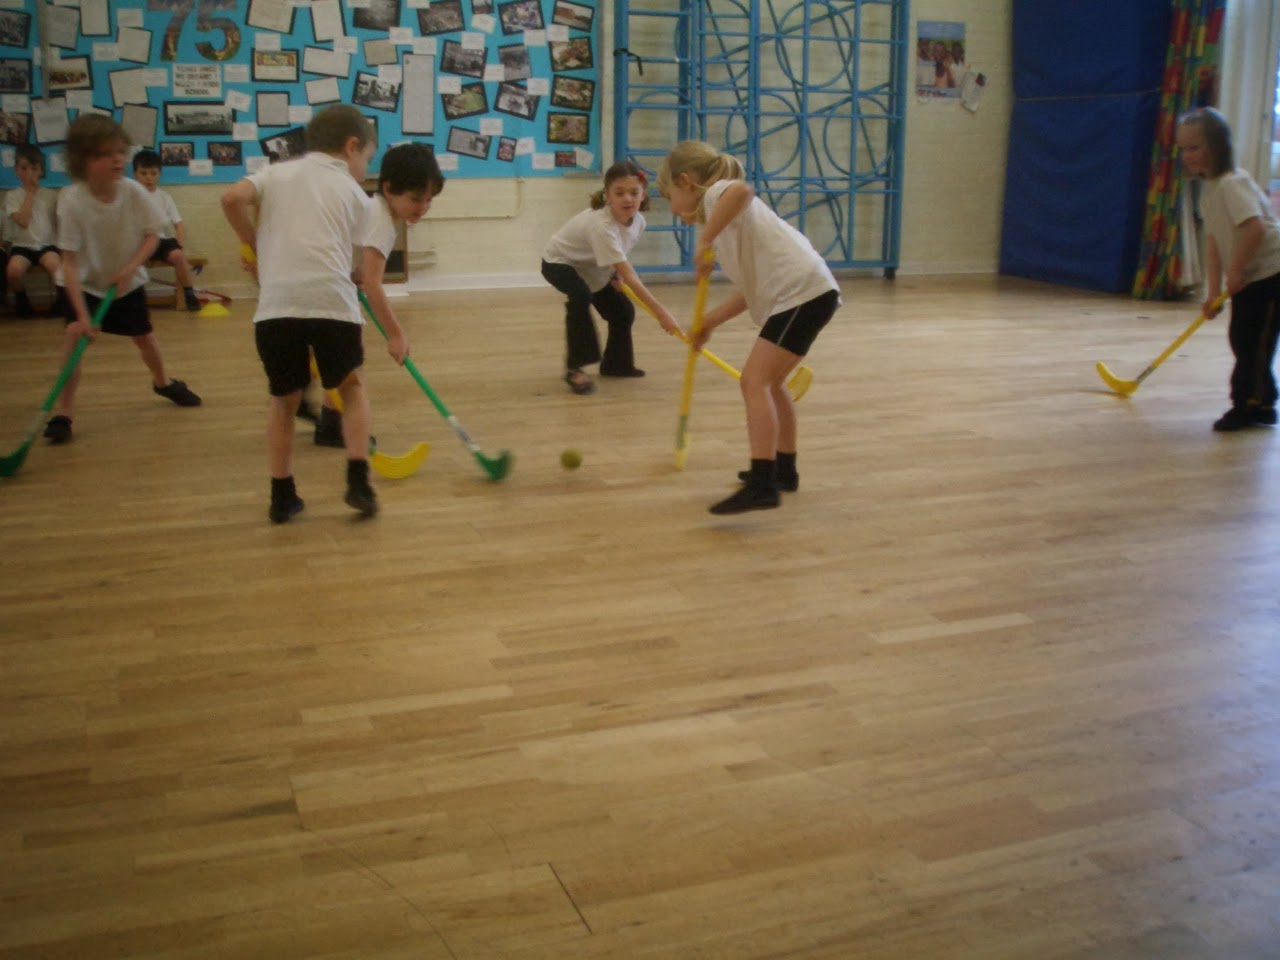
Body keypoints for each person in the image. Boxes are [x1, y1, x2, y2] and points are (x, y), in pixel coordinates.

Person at [221, 105, 394, 523]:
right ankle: (358, 482)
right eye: (366, 158)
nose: (363, 167)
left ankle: (282, 496)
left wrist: (255, 244)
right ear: (351, 147)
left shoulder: (275, 173)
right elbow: (351, 256)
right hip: (331, 304)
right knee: (351, 390)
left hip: (276, 307)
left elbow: (231, 199)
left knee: (283, 401)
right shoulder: (355, 193)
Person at [657, 140, 840, 515]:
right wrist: (709, 321)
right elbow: (751, 291)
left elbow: (742, 189)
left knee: (753, 381)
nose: (672, 207)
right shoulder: (726, 227)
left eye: (668, 195)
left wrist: (704, 239)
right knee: (770, 384)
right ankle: (783, 471)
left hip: (801, 293)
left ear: (686, 182)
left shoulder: (718, 196)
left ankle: (763, 484)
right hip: (807, 293)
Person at [45, 115, 202, 446]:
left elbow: (153, 236)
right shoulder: (71, 200)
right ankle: (64, 412)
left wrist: (130, 267)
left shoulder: (132, 191)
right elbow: (69, 264)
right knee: (74, 340)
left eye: (120, 151)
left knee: (144, 338)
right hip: (83, 285)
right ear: (85, 160)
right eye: (107, 154)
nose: (118, 159)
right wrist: (83, 316)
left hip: (124, 282)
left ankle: (162, 382)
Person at [313, 142, 444, 447]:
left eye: (428, 200)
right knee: (349, 358)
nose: (422, 207)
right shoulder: (381, 220)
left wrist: (354, 275)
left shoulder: (375, 211)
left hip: (330, 282)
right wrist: (396, 334)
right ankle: (333, 424)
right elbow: (373, 283)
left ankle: (330, 422)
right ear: (388, 188)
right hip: (323, 287)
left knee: (347, 352)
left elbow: (360, 268)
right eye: (415, 199)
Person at [1176, 107, 1280, 432]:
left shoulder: (1232, 184)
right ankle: (1263, 400)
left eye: (1195, 147)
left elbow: (1255, 228)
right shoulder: (1210, 189)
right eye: (1183, 149)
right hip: (1251, 275)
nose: (1188, 155)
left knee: (1254, 342)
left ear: (1218, 146)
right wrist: (1212, 292)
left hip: (1271, 275)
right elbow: (1214, 241)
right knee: (1242, 339)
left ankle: (1247, 405)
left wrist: (1235, 270)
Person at [541, 160, 681, 395]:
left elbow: (620, 254)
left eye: (634, 193)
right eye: (619, 193)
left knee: (622, 312)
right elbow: (630, 274)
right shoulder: (601, 225)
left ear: (643, 195)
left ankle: (616, 365)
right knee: (580, 296)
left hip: (591, 266)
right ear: (608, 196)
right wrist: (662, 314)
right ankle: (575, 369)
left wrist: (615, 274)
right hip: (560, 262)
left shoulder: (639, 222)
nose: (627, 198)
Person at [131, 148, 202, 312]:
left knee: (177, 255)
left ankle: (189, 293)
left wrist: (180, 246)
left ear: (159, 174)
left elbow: (179, 224)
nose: (149, 178)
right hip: (137, 242)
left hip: (160, 241)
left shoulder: (165, 197)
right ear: (135, 174)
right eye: (143, 173)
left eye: (153, 173)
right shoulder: (130, 196)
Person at [4, 144, 63, 317]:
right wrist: (29, 193)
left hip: (46, 244)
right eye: (24, 168)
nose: (29, 173)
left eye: (34, 168)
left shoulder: (51, 195)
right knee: (13, 271)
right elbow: (23, 221)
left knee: (56, 266)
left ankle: (60, 303)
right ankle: (23, 304)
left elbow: (59, 222)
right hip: (22, 245)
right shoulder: (12, 196)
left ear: (41, 171)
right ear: (16, 170)